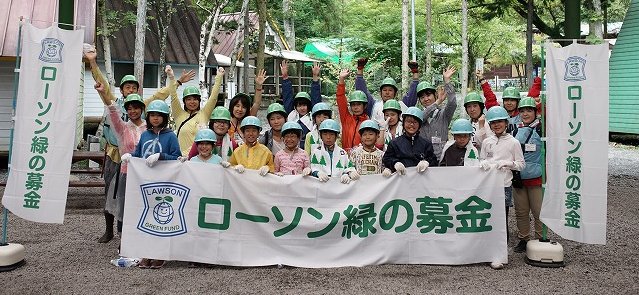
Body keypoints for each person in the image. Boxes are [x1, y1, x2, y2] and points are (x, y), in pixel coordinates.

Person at [83, 48, 183, 244]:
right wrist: (94, 64)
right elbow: (108, 102)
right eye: (126, 87)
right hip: (117, 158)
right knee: (114, 196)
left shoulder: (150, 126)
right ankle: (115, 233)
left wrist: (175, 81)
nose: (130, 91)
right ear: (122, 90)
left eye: (133, 87)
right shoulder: (118, 109)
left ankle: (146, 235)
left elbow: (161, 96)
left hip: (147, 169)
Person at [123, 100, 181, 269]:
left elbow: (177, 158)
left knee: (161, 220)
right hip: (145, 183)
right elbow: (140, 153)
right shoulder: (145, 135)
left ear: (165, 117)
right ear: (148, 117)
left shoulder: (171, 136)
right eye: (152, 115)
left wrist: (161, 156)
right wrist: (131, 157)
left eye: (159, 115)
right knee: (145, 218)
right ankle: (145, 252)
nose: (155, 118)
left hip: (164, 184)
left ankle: (160, 254)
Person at [94, 84, 147, 241]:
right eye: (129, 108)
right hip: (125, 172)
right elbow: (113, 113)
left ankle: (142, 238)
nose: (133, 111)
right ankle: (124, 239)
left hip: (144, 173)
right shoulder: (123, 129)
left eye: (136, 108)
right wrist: (104, 94)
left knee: (142, 204)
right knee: (124, 204)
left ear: (142, 109)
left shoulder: (149, 129)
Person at [479, 106, 525, 269]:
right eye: (493, 123)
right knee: (486, 218)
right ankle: (485, 251)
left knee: (501, 219)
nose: (497, 125)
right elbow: (481, 160)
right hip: (487, 186)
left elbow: (521, 165)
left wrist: (509, 164)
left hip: (504, 185)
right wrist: (483, 164)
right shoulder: (486, 142)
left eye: (500, 122)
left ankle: (499, 254)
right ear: (490, 125)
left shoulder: (513, 142)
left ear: (506, 123)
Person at [166, 65, 223, 156]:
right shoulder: (179, 114)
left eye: (195, 99)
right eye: (189, 99)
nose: (192, 102)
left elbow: (213, 98)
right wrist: (171, 77)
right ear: (184, 101)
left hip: (201, 160)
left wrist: (219, 77)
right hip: (183, 160)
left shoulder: (204, 114)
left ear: (199, 100)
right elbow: (173, 96)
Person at [511, 97, 544, 253]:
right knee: (521, 211)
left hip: (537, 178)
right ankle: (524, 239)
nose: (525, 113)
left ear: (535, 112)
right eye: (522, 110)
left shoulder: (542, 129)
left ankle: (540, 239)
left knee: (539, 211)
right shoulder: (515, 130)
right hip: (519, 178)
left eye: (529, 110)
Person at [355, 58, 419, 121]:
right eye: (384, 90)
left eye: (390, 90)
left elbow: (413, 94)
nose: (387, 92)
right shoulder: (374, 106)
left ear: (395, 93)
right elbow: (362, 92)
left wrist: (415, 72)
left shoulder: (403, 105)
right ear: (380, 93)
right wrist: (360, 69)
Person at [382, 107, 438, 177]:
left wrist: (427, 162)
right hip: (401, 180)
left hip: (420, 180)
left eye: (415, 122)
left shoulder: (426, 143)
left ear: (419, 125)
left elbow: (433, 160)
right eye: (408, 121)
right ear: (403, 123)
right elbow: (387, 158)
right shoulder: (395, 143)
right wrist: (395, 163)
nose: (411, 125)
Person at [418, 66, 457, 160]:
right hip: (423, 160)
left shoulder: (444, 114)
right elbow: (422, 117)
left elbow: (452, 103)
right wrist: (438, 101)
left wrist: (447, 81)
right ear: (419, 100)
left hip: (442, 159)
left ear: (434, 95)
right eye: (422, 97)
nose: (426, 99)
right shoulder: (418, 115)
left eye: (428, 95)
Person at [281, 60, 321, 148]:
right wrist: (285, 78)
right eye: (299, 105)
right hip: (292, 149)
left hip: (309, 149)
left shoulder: (312, 117)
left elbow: (316, 97)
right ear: (295, 106)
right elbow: (287, 96)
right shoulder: (292, 114)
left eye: (304, 105)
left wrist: (315, 77)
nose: (302, 108)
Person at [310, 119, 357, 184]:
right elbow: (313, 168)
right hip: (321, 185)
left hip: (338, 187)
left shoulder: (342, 153)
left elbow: (348, 167)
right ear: (321, 135)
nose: (328, 137)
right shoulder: (316, 151)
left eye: (331, 134)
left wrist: (348, 173)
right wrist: (318, 173)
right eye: (325, 134)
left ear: (336, 136)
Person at [228, 70, 267, 144]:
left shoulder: (249, 120)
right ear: (232, 107)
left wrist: (259, 86)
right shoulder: (226, 123)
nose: (240, 109)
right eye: (237, 106)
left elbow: (257, 103)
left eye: (244, 107)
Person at [336, 69, 370, 152]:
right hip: (345, 157)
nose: (355, 107)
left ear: (364, 106)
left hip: (361, 157)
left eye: (358, 104)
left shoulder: (368, 123)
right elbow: (340, 100)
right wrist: (341, 80)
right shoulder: (346, 119)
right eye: (353, 104)